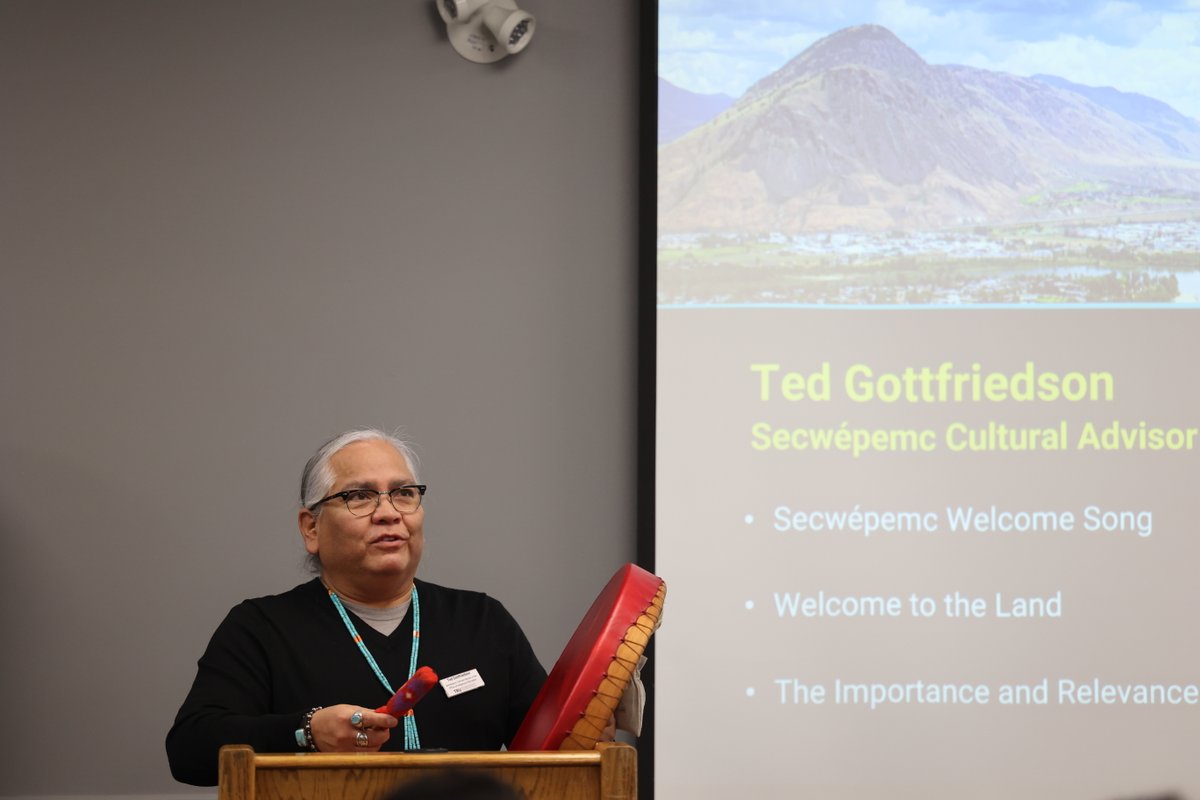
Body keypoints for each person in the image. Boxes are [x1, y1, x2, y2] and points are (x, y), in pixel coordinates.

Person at [166, 428, 548, 786]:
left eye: (404, 493)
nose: (388, 512)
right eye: (359, 497)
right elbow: (189, 751)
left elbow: (553, 745)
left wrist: (597, 721)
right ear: (311, 529)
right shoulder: (262, 627)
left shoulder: (482, 620)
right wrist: (306, 732)